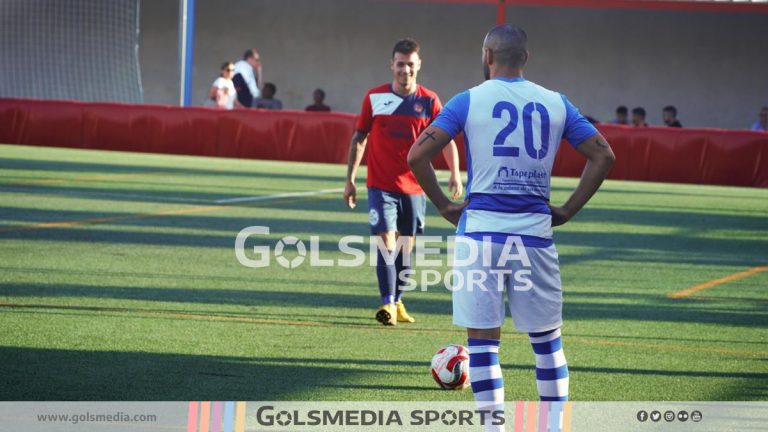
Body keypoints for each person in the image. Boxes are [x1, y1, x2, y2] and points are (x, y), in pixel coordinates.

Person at [407, 24, 615, 426]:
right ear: (526, 58)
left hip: (480, 233)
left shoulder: (467, 100)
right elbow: (604, 156)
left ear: (487, 56)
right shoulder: (556, 103)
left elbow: (417, 155)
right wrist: (568, 209)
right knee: (547, 343)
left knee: (483, 345)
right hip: (534, 235)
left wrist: (445, 206)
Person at [344, 38, 463, 326]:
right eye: (400, 64)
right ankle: (386, 303)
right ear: (392, 65)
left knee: (405, 249)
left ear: (418, 65)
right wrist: (350, 180)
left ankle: (397, 299)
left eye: (410, 64)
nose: (405, 70)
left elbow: (446, 139)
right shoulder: (374, 98)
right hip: (380, 186)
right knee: (386, 242)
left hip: (414, 187)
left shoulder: (429, 101)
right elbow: (359, 138)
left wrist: (454, 172)